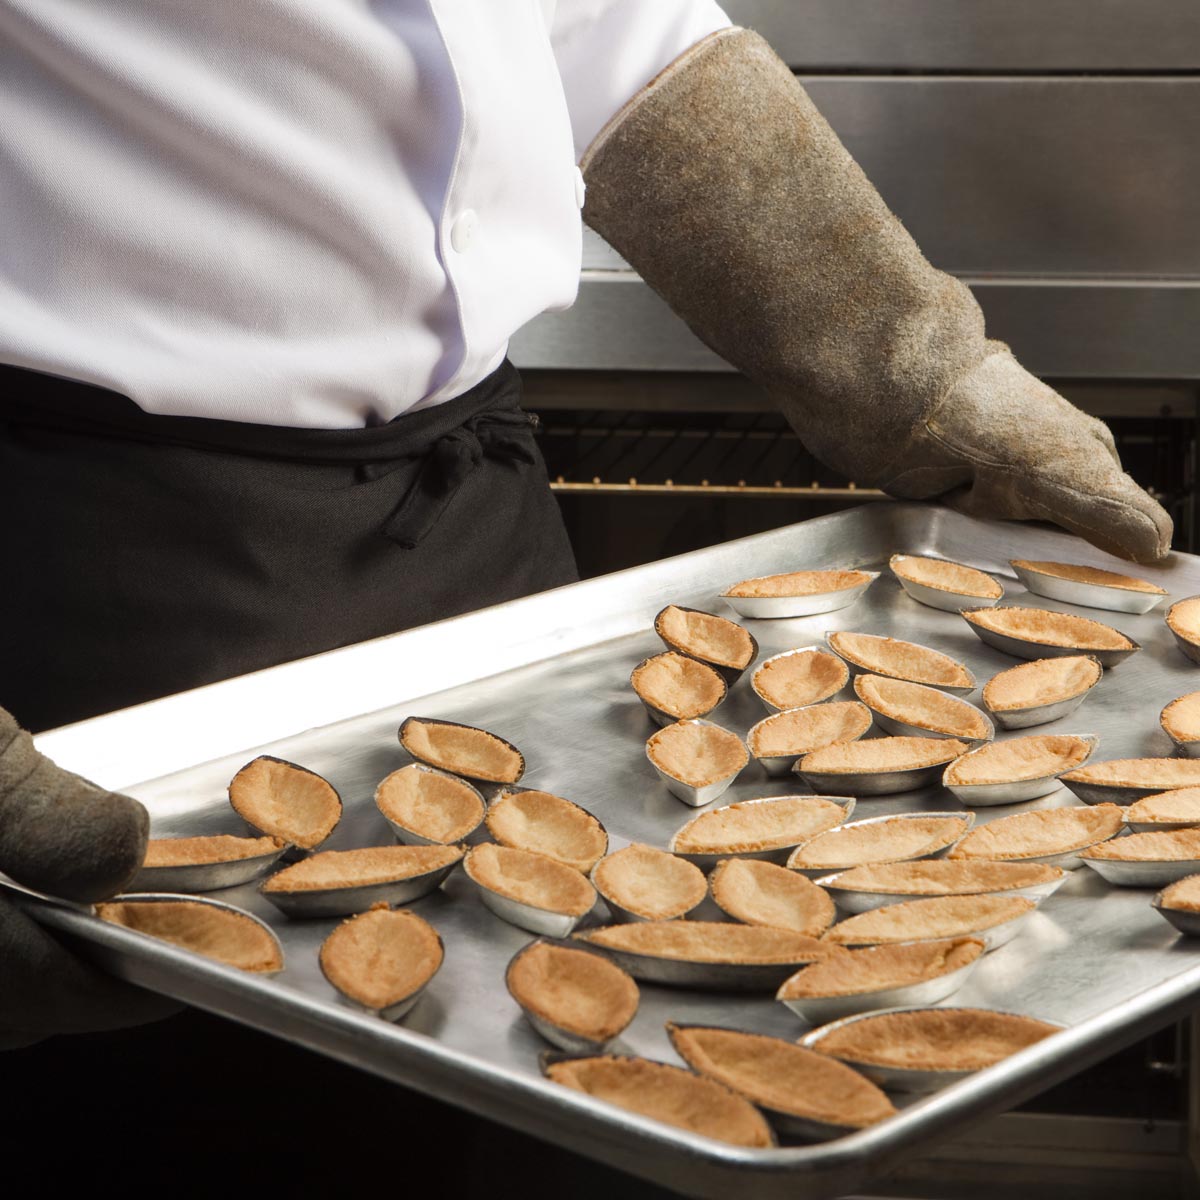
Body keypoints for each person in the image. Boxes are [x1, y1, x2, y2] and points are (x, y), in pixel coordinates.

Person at [0, 0, 1172, 1183]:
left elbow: (612, 32)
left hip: (475, 510)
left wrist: (905, 359)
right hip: (101, 554)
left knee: (567, 1089)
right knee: (208, 1123)